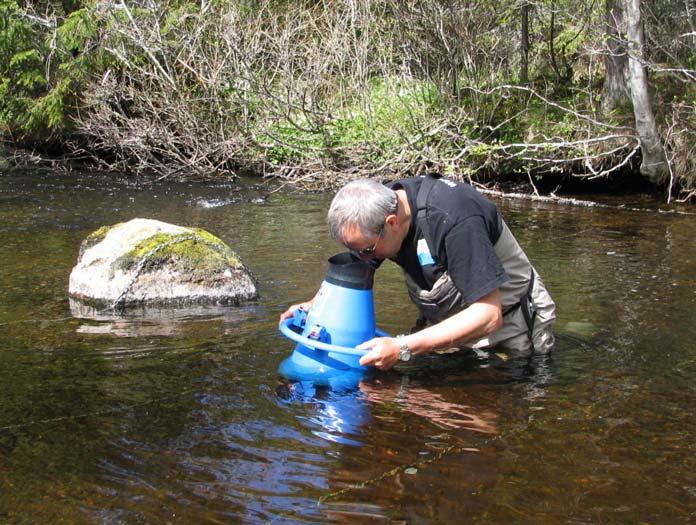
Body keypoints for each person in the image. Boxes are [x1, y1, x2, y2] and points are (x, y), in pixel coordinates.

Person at [279, 174, 556, 370]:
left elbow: (489, 314)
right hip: (452, 322)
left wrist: (402, 347)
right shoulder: (378, 210)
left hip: (510, 322)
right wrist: (314, 305)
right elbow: (353, 271)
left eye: (366, 250)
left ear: (392, 223)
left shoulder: (455, 219)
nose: (363, 258)